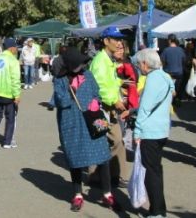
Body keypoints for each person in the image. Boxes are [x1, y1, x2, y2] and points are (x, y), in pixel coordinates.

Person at [53, 47, 118, 212]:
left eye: (82, 64)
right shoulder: (60, 79)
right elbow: (61, 101)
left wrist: (96, 101)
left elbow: (97, 93)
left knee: (103, 155)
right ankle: (77, 195)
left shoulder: (88, 75)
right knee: (75, 158)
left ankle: (107, 193)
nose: (81, 67)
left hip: (94, 118)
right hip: (71, 122)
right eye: (78, 64)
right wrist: (73, 89)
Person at [132, 49, 174, 218]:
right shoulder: (165, 76)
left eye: (138, 64)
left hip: (150, 132)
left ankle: (156, 211)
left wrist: (137, 131)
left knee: (151, 173)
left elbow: (145, 108)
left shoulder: (153, 79)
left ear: (145, 63)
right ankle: (159, 209)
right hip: (162, 129)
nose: (137, 67)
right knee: (156, 170)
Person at [88, 26, 129, 186]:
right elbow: (100, 87)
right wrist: (114, 100)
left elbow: (109, 82)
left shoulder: (108, 60)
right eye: (116, 39)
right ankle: (97, 175)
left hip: (108, 109)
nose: (119, 43)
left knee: (115, 140)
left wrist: (120, 84)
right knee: (103, 140)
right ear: (106, 41)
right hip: (99, 109)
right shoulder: (100, 61)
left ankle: (114, 175)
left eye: (120, 39)